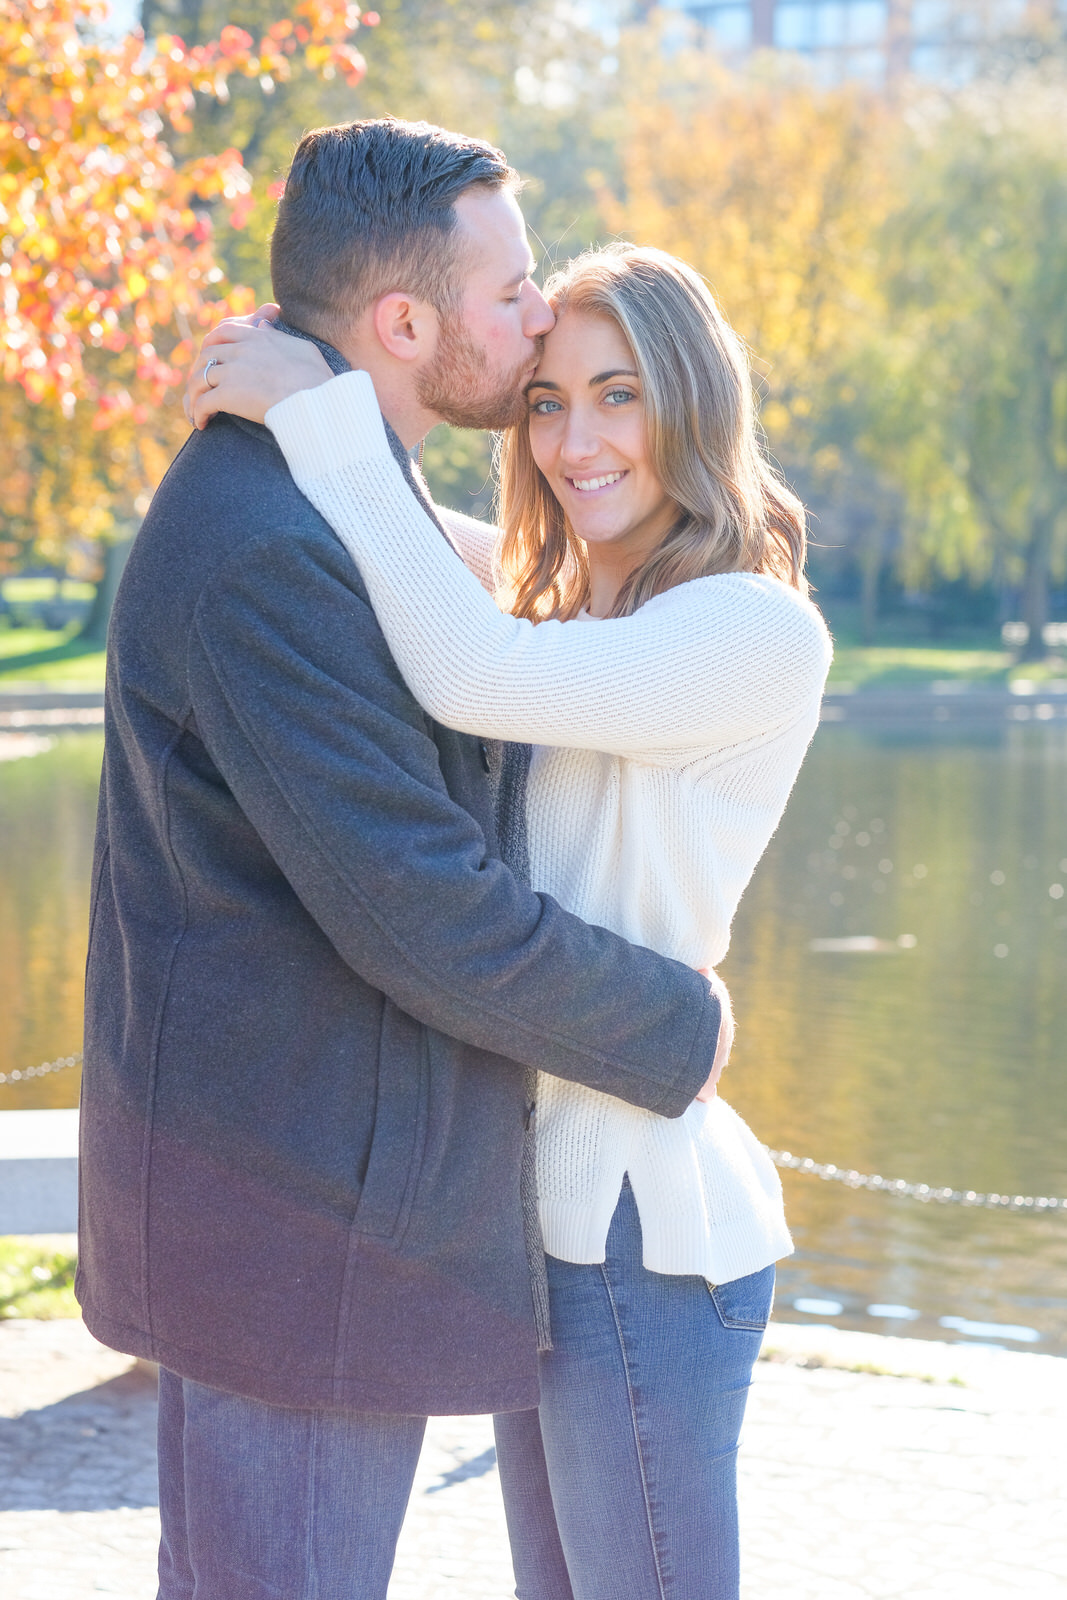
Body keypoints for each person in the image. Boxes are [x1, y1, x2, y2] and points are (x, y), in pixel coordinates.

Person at [78, 120, 733, 1600]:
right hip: (295, 1225)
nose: (538, 312)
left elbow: (469, 611)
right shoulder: (267, 545)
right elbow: (422, 910)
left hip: (308, 1203)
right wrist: (676, 1023)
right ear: (402, 323)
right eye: (510, 292)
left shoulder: (317, 497)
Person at [187, 241, 833, 1598]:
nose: (574, 440)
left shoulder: (750, 631)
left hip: (646, 1246)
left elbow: (473, 668)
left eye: (619, 396)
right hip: (530, 1231)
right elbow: (429, 553)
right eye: (546, 401)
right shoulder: (587, 604)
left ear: (695, 406)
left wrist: (325, 417)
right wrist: (315, 411)